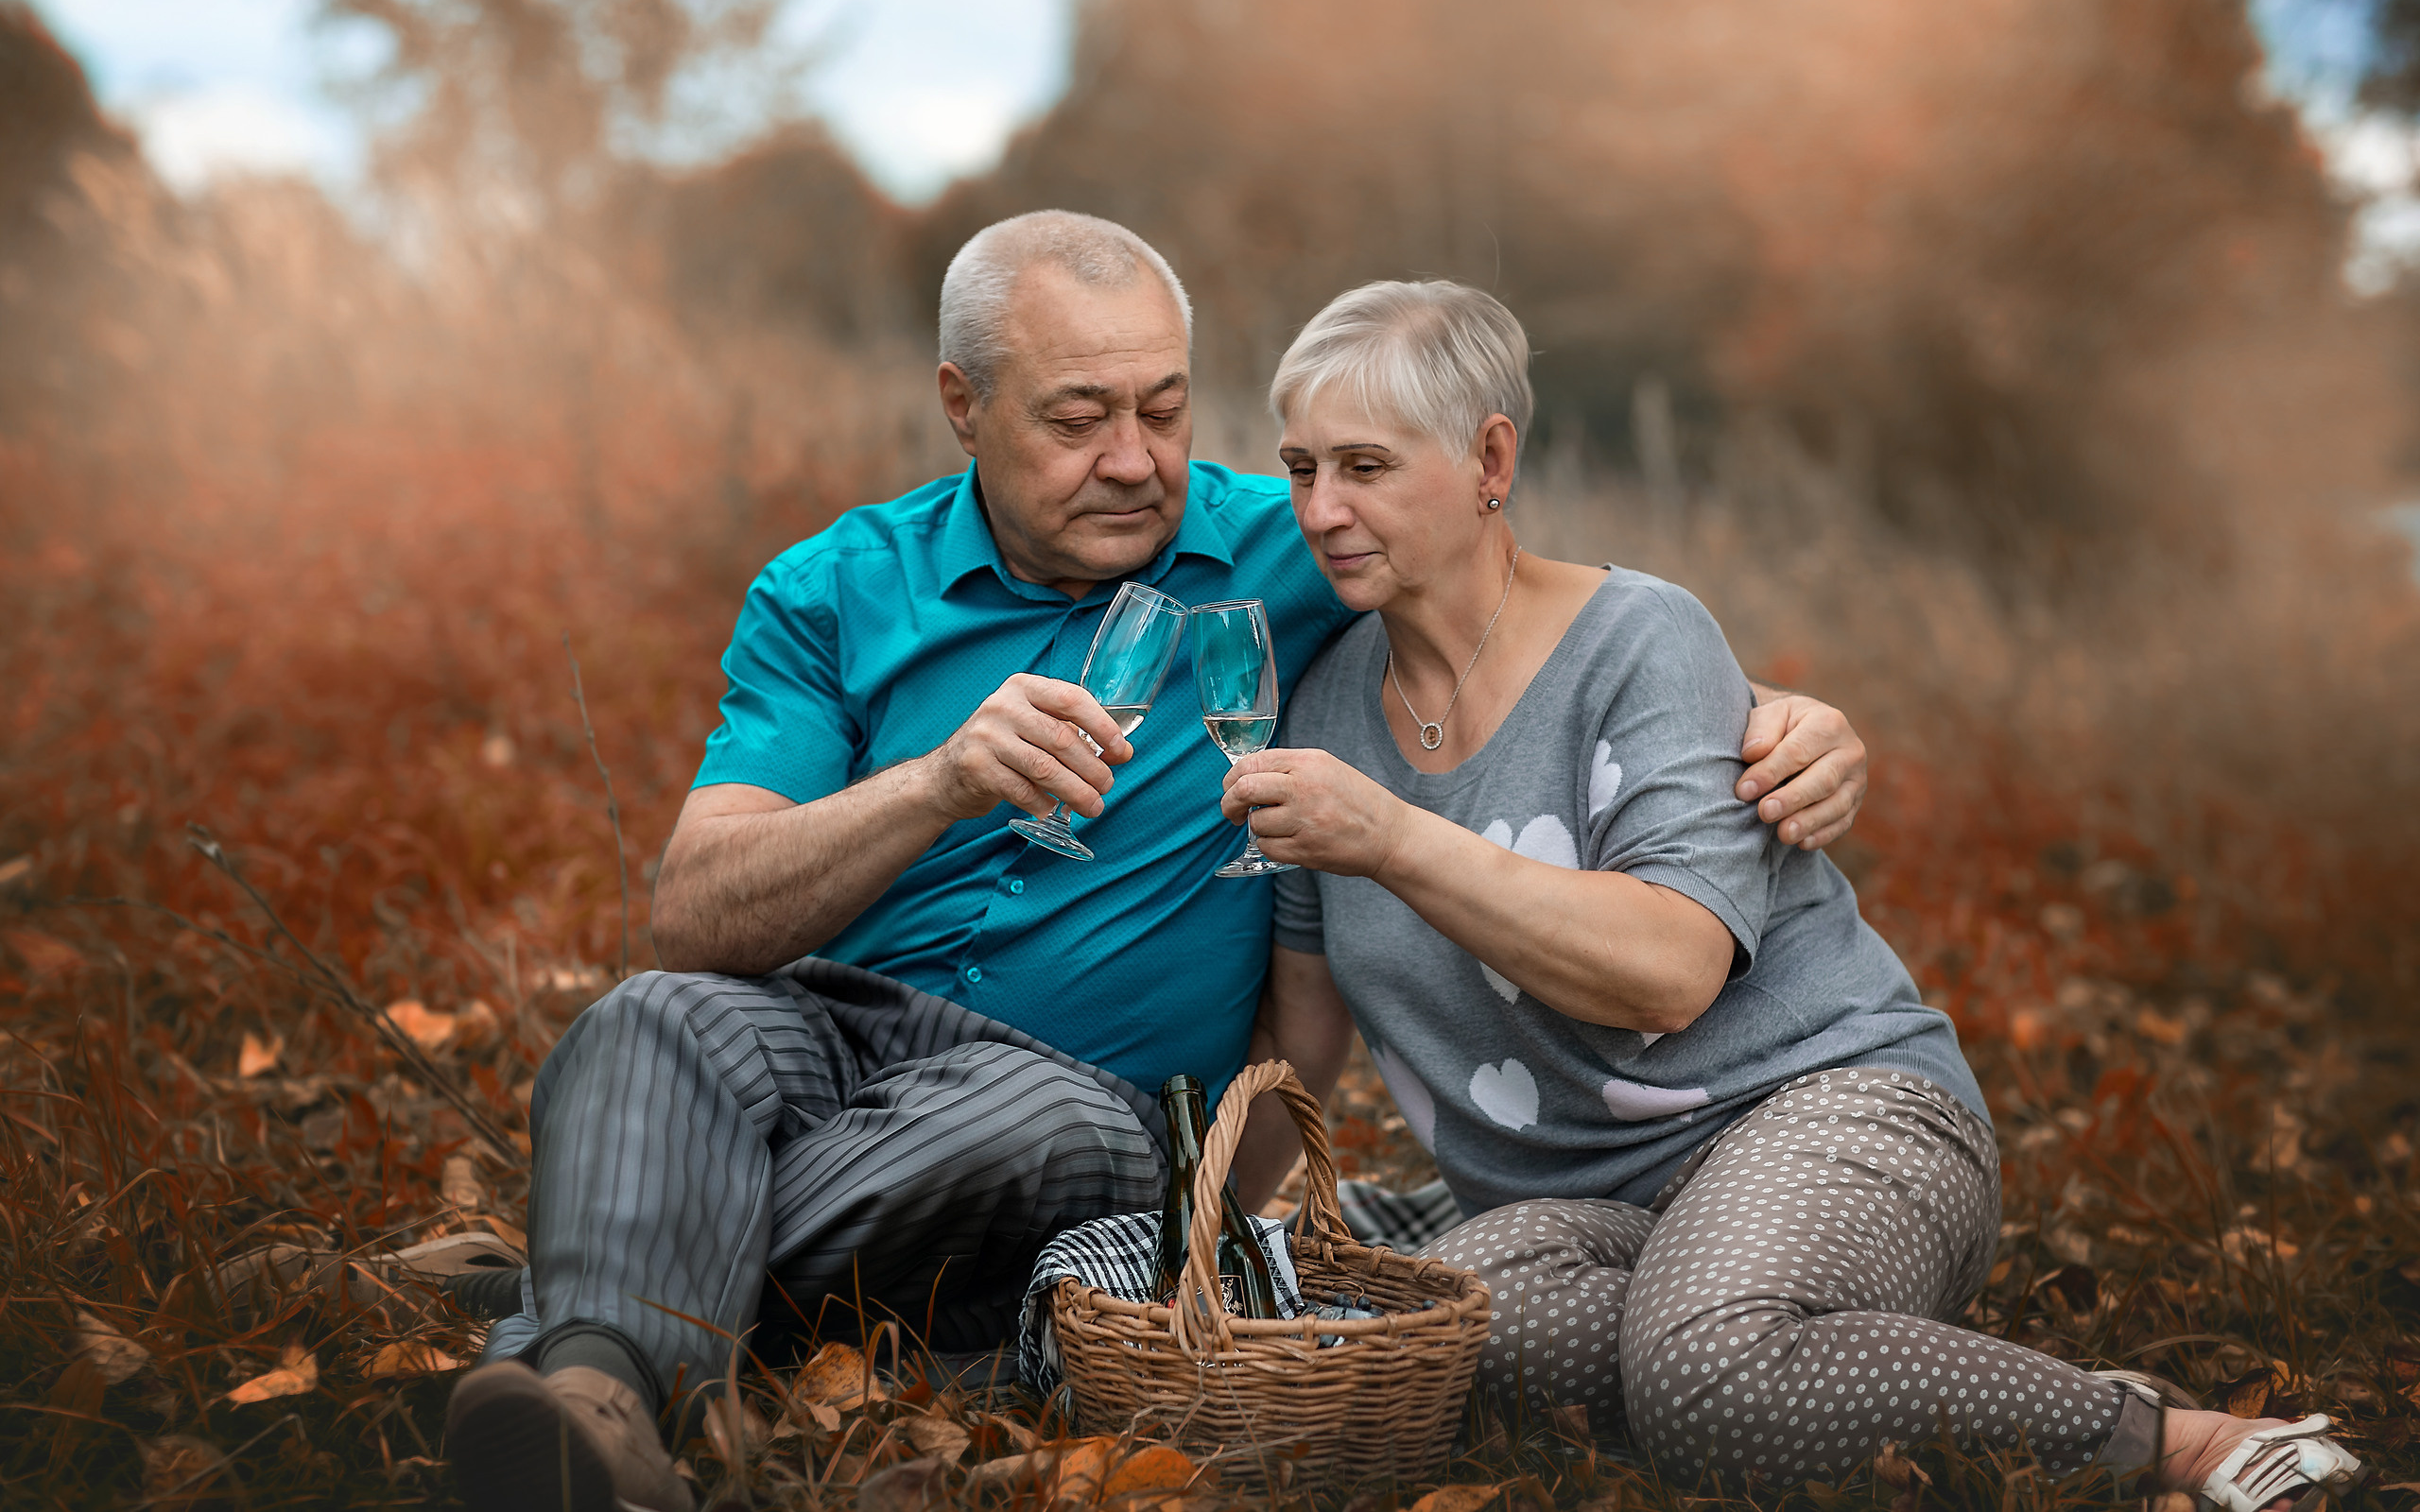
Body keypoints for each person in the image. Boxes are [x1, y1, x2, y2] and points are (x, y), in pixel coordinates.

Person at [441, 215, 1874, 1512]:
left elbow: (1527, 600)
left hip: (1084, 1108)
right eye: (1077, 419)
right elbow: (696, 911)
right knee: (646, 1019)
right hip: (825, 1025)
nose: (1134, 460)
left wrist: (1787, 719)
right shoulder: (833, 592)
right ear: (963, 406)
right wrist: (934, 785)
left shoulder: (1295, 533)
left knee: (997, 1119)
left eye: (1165, 408)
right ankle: (594, 1415)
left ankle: (591, 1287)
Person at [1221, 279, 2369, 1508]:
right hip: (1583, 1206)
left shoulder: (1641, 642)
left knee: (1710, 1373)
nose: (1322, 510)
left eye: (1364, 466)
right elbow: (1301, 1033)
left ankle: (2191, 1443)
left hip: (1827, 1115)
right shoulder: (1326, 707)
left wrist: (1394, 837)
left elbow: (1670, 969)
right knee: (1455, 1337)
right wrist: (1209, 1251)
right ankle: (1773, 1331)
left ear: (1490, 456)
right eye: (1300, 469)